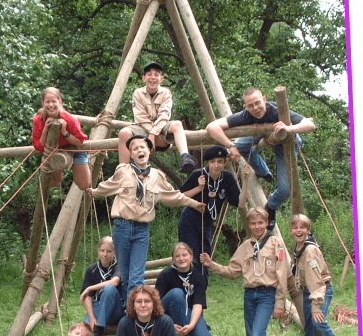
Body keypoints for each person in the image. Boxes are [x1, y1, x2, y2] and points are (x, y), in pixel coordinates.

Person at [86, 134, 205, 302]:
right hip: (122, 227)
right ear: (131, 154)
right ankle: (127, 309)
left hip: (142, 230)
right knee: (125, 275)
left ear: (149, 150)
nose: (139, 150)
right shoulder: (123, 171)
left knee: (136, 277)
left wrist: (194, 204)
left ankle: (133, 314)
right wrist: (94, 192)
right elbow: (107, 186)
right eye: (135, 148)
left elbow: (175, 196)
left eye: (143, 147)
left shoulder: (157, 176)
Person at [200, 207, 287, 336]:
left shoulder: (276, 243)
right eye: (253, 223)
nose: (257, 226)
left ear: (266, 223)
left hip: (267, 294)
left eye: (260, 223)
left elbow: (282, 274)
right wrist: (211, 265)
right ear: (249, 224)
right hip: (250, 295)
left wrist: (280, 303)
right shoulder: (246, 246)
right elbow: (233, 272)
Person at [205, 87, 316, 229]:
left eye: (258, 103)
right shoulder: (245, 115)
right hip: (260, 132)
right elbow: (211, 127)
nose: (255, 108)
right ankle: (263, 171)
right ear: (246, 107)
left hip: (286, 143)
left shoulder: (275, 110)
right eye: (250, 106)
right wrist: (230, 145)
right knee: (239, 146)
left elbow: (310, 125)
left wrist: (289, 129)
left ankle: (271, 206)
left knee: (285, 191)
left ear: (264, 100)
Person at [290, 214, 352, 336]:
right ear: (291, 230)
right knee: (309, 331)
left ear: (308, 230)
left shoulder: (309, 250)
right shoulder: (299, 247)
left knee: (318, 323)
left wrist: (316, 306)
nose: (298, 231)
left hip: (320, 290)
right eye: (295, 228)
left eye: (302, 227)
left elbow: (316, 281)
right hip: (307, 291)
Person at [178, 145, 250, 279]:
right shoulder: (198, 174)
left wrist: (245, 180)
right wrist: (198, 188)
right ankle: (188, 286)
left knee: (205, 258)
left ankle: (202, 288)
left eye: (220, 162)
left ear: (225, 163)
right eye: (212, 162)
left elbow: (240, 203)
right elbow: (180, 197)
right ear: (208, 163)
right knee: (190, 256)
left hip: (207, 222)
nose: (216, 165)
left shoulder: (227, 178)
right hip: (190, 220)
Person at [118, 61, 197, 174]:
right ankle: (123, 170)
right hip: (143, 127)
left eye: (156, 74)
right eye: (149, 74)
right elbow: (140, 117)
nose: (153, 77)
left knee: (177, 124)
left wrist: (153, 133)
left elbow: (164, 115)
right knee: (123, 133)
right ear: (143, 78)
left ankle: (185, 157)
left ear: (161, 79)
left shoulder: (166, 93)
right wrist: (152, 133)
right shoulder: (137, 93)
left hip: (161, 126)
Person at [155, 242, 216, 336]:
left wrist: (191, 326)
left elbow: (198, 305)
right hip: (167, 315)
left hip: (190, 313)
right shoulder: (165, 275)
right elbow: (156, 304)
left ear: (191, 256)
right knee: (177, 293)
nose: (181, 258)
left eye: (184, 255)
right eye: (177, 256)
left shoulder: (198, 277)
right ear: (173, 259)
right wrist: (169, 324)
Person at [32, 87, 91, 190]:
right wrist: (45, 130)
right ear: (43, 103)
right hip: (54, 149)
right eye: (47, 102)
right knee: (54, 182)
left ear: (60, 102)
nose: (51, 105)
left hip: (74, 147)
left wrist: (65, 132)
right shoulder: (38, 119)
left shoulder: (69, 118)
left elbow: (80, 141)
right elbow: (39, 147)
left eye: (54, 101)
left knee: (84, 185)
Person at [79, 236, 124, 336]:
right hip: (98, 307)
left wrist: (89, 288)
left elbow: (115, 282)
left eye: (109, 251)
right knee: (84, 330)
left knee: (109, 288)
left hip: (115, 309)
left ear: (114, 253)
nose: (105, 254)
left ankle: (99, 328)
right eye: (102, 251)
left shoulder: (119, 266)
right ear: (98, 251)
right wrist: (92, 318)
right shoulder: (92, 269)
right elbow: (88, 297)